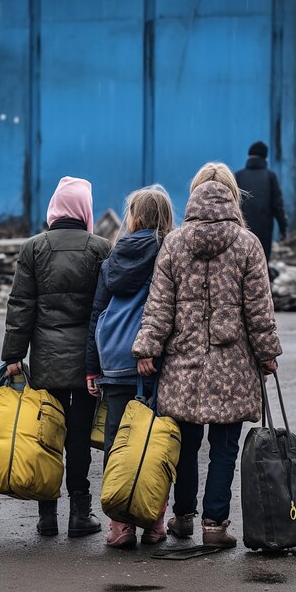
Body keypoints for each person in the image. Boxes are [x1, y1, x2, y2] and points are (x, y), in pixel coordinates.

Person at [133, 162, 282, 548]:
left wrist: (148, 346)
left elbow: (160, 304)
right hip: (233, 366)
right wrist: (267, 354)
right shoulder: (248, 243)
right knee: (224, 449)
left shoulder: (175, 242)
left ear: (195, 193)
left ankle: (183, 518)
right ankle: (214, 526)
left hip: (182, 364)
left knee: (184, 444)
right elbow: (259, 309)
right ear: (233, 195)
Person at [1, 176, 110, 537]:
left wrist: (14, 354)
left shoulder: (33, 248)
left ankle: (46, 516)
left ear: (55, 208)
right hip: (85, 363)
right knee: (78, 436)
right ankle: (80, 513)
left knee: (45, 434)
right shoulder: (100, 248)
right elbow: (106, 308)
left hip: (46, 362)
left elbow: (21, 305)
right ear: (84, 209)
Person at [86, 184, 174, 549]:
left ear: (133, 219)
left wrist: (92, 366)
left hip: (114, 361)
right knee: (155, 439)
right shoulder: (169, 255)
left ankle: (119, 525)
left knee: (116, 442)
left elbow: (96, 314)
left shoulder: (113, 258)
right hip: (153, 361)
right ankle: (153, 521)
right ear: (166, 219)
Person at [235, 141, 288, 262]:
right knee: (261, 261)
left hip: (241, 228)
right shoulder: (270, 176)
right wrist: (283, 228)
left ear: (249, 156)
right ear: (265, 158)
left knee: (242, 261)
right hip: (264, 229)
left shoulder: (238, 176)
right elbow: (277, 206)